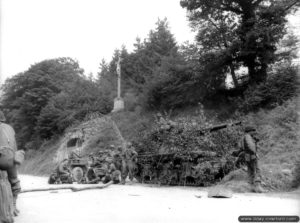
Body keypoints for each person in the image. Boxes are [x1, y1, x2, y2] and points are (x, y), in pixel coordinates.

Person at [0, 111, 25, 220]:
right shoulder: (10, 128)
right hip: (10, 159)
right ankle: (14, 206)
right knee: (14, 181)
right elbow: (14, 146)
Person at [234, 125, 264, 193]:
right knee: (257, 170)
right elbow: (251, 147)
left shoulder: (244, 137)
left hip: (247, 157)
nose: (254, 132)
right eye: (253, 131)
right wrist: (255, 154)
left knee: (250, 171)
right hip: (252, 156)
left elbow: (241, 148)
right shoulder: (248, 137)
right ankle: (258, 187)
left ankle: (250, 187)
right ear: (249, 131)